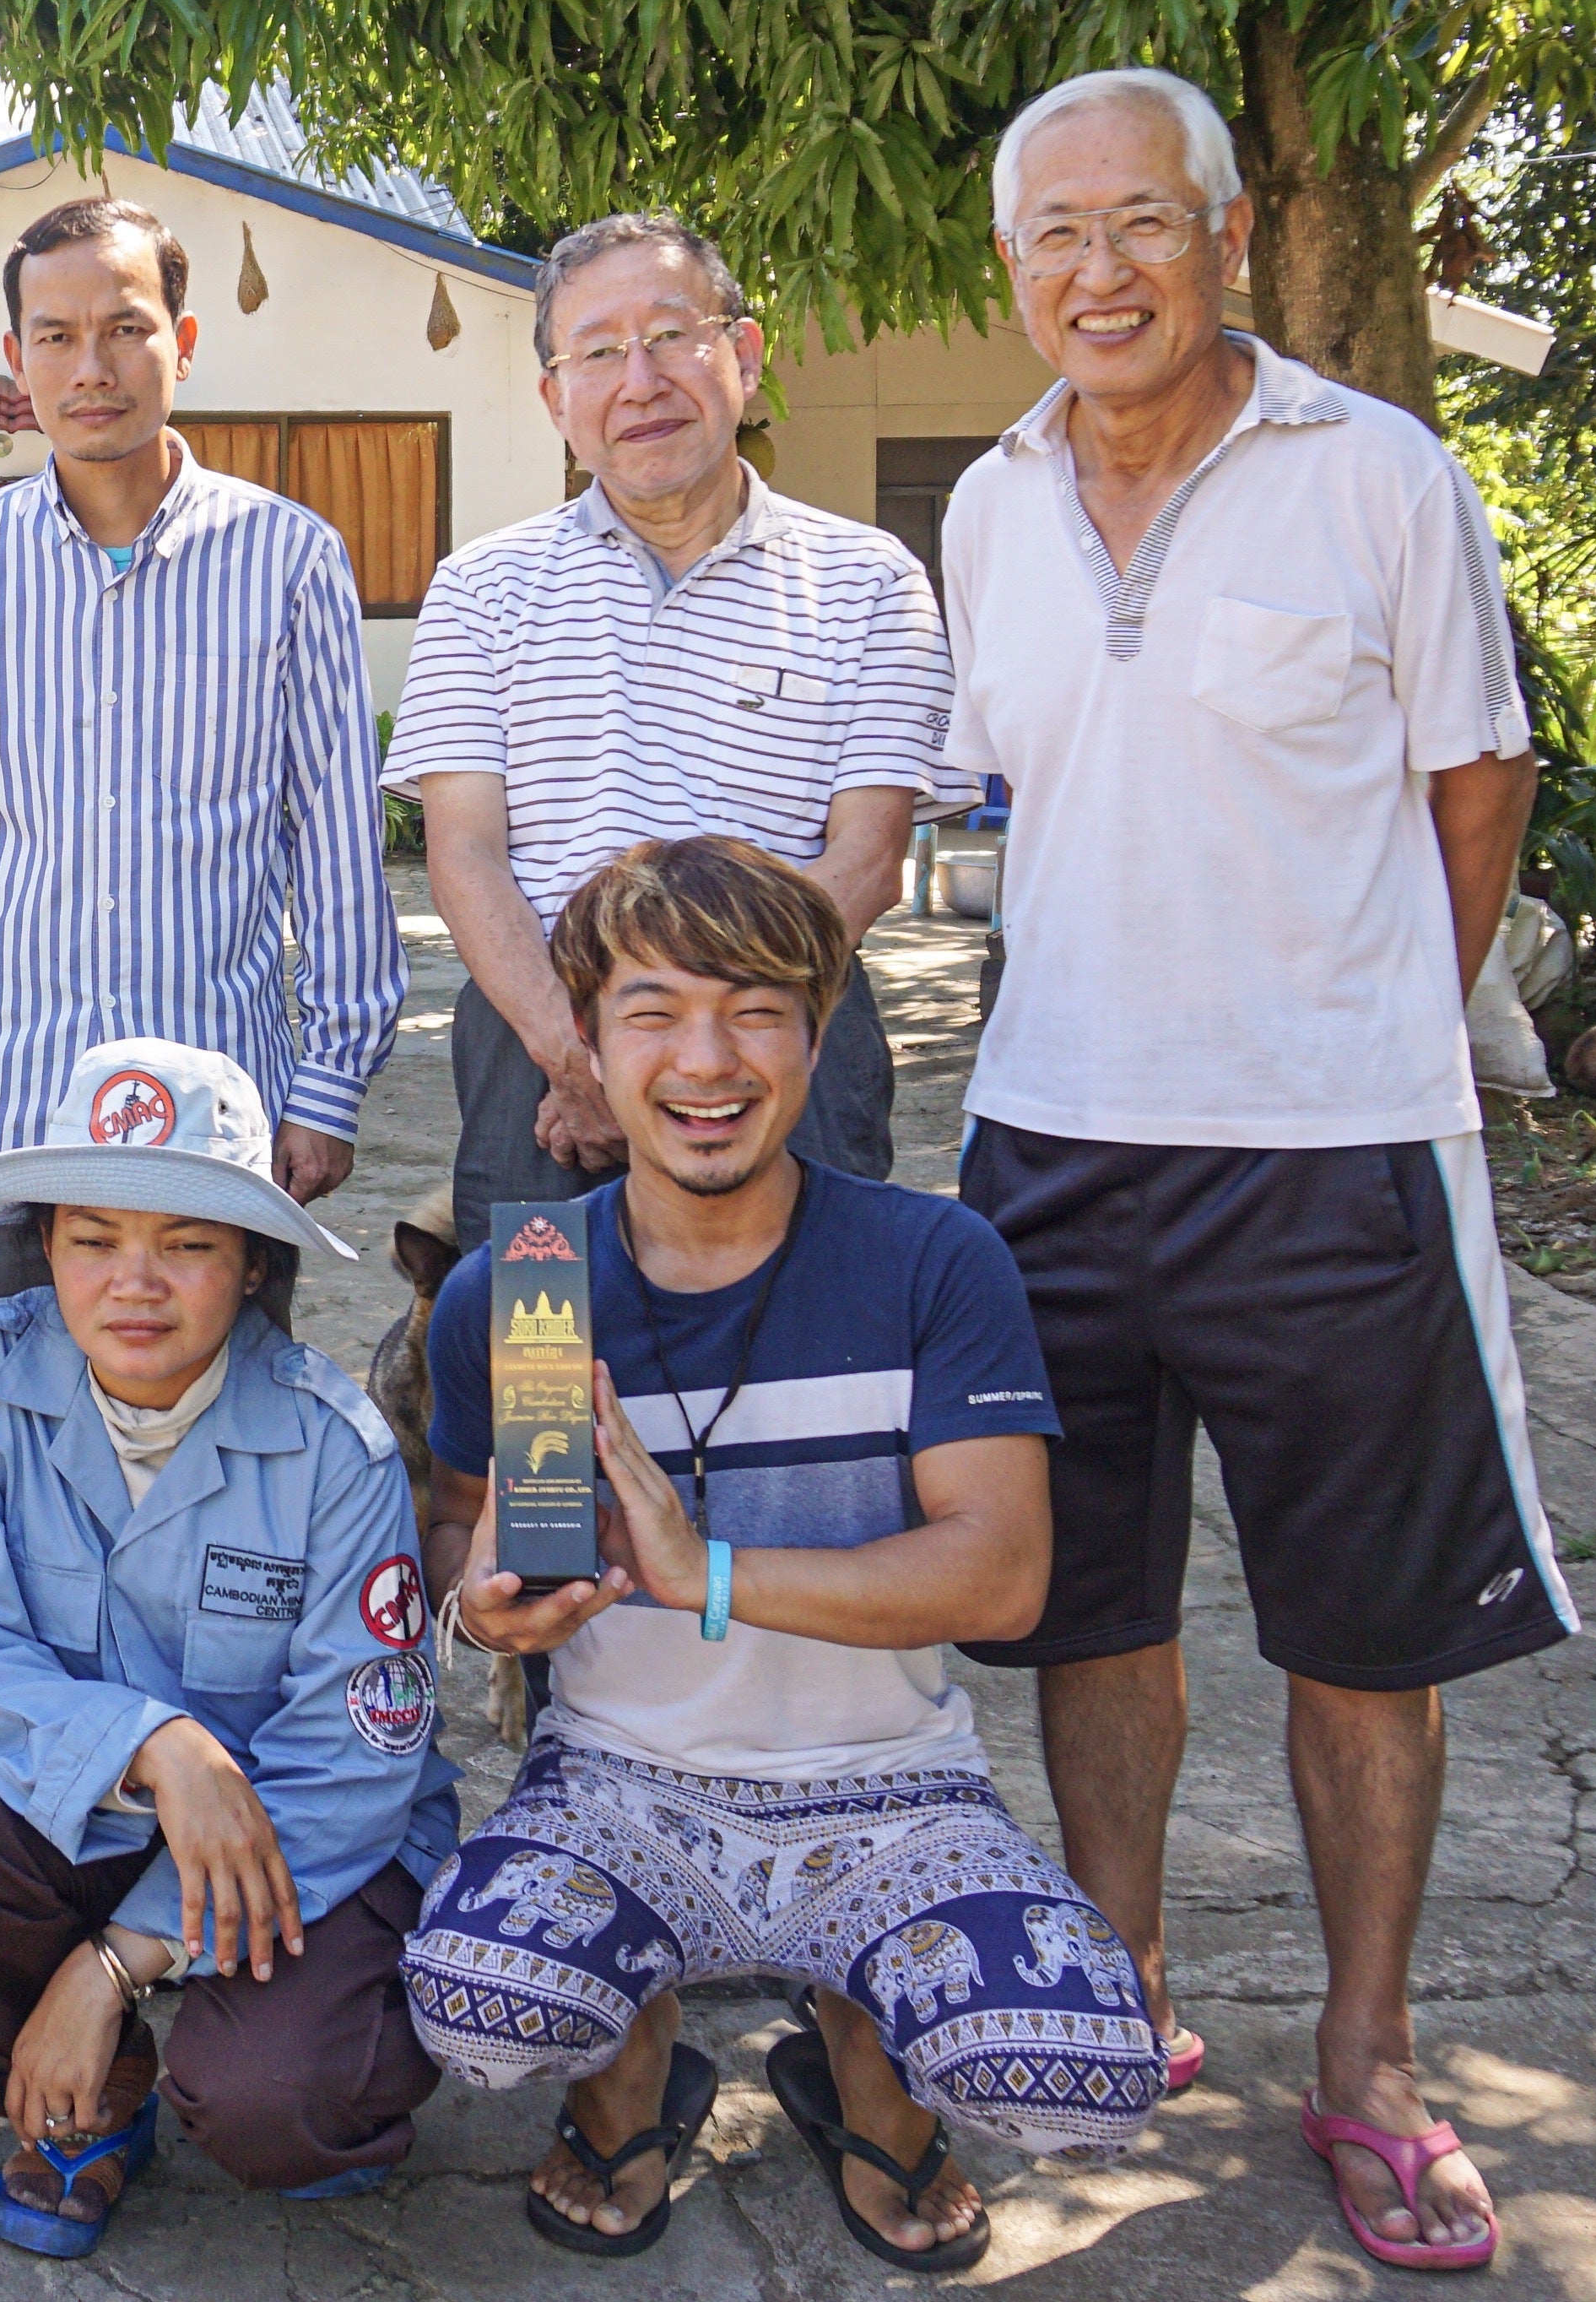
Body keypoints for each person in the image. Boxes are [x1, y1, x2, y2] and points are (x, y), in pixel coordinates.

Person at [937, 66, 1557, 2275]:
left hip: (1331, 1158)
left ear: (1223, 238)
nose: (1098, 270)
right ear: (1013, 267)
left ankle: (1370, 2052)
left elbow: (1478, 783)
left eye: (1142, 223)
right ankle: (1118, 1981)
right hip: (1051, 1140)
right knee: (1088, 1600)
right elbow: (1019, 796)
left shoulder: (1377, 472)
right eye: (1056, 232)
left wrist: (1372, 1025)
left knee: (1363, 1629)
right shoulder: (990, 505)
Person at [403, 839, 1159, 2272]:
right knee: (483, 2010)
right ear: (588, 1046)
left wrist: (710, 1572)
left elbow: (1003, 1578)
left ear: (818, 1036)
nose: (707, 1060)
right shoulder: (521, 1289)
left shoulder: (934, 1262)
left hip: (897, 1793)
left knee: (1075, 2078)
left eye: (756, 1011)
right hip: (620, 1784)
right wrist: (484, 1601)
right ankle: (635, 2059)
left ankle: (856, 2039)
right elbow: (455, 1517)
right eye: (654, 1014)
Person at [0, 1037, 455, 2258]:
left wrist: (110, 1963)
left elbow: (356, 1765)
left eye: (187, 1244)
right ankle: (90, 2093)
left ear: (255, 1265)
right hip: (90, 1811)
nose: (135, 1284)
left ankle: (147, 2022)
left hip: (294, 1840)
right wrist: (156, 1743)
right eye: (94, 1239)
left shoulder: (336, 1448)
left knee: (275, 2113)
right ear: (45, 1245)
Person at [0, 196, 400, 1320]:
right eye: (55, 335)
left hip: (216, 1129)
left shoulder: (287, 559)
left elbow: (335, 838)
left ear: (182, 343)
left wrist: (330, 1085)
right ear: (17, 359)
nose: (91, 367)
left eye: (125, 328)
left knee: (218, 1425)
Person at [384, 210, 952, 1247]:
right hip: (538, 1044)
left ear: (744, 353)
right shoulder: (481, 590)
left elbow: (869, 861)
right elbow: (464, 857)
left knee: (808, 1333)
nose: (639, 382)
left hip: (794, 1032)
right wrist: (582, 1054)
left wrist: (702, 1041)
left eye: (670, 336)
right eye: (597, 353)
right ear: (556, 400)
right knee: (547, 1338)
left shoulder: (869, 581)